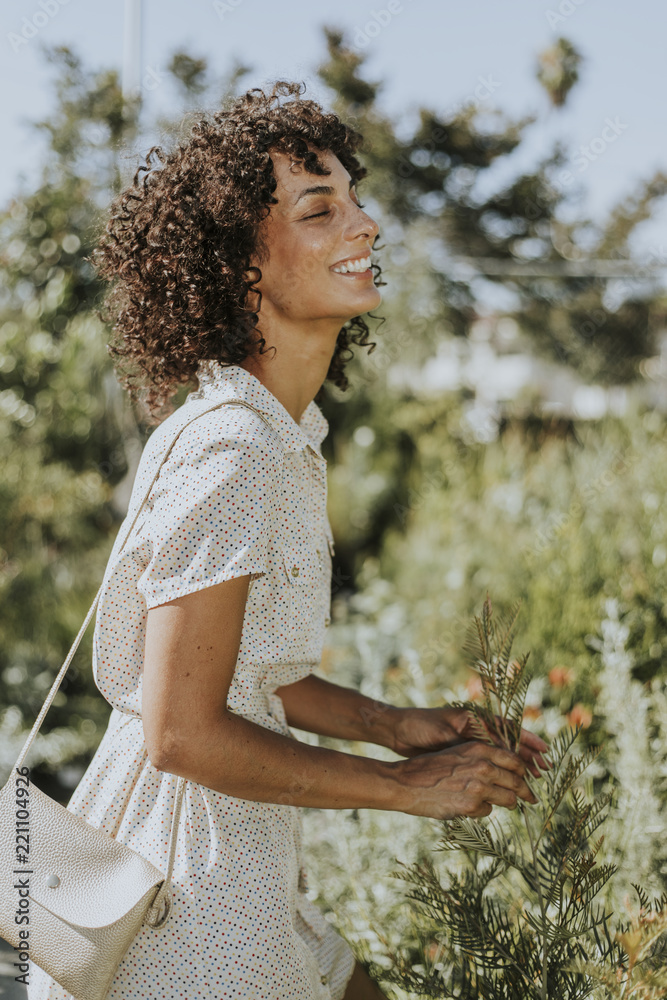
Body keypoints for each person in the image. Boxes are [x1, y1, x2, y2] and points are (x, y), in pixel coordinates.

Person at [28, 81, 547, 1000]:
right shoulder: (234, 450)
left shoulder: (272, 434)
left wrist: (397, 730)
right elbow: (182, 732)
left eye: (354, 198)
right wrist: (408, 789)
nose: (367, 225)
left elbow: (239, 673)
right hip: (191, 906)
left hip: (246, 870)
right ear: (242, 269)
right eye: (322, 209)